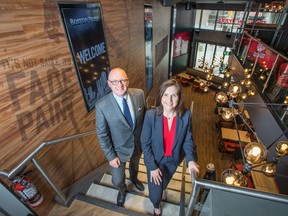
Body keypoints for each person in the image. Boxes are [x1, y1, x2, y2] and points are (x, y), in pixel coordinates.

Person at [141, 79, 199, 216]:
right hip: (156, 162)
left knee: (164, 182)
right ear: (161, 96)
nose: (169, 100)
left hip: (174, 160)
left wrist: (191, 160)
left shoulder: (186, 116)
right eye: (165, 95)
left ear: (179, 98)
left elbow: (188, 139)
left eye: (174, 95)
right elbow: (145, 143)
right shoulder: (151, 116)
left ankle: (163, 189)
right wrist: (152, 167)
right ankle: (156, 207)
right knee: (155, 195)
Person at [95, 68, 145, 207]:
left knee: (135, 166)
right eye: (115, 81)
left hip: (138, 144)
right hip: (118, 151)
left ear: (127, 81)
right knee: (117, 180)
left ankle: (134, 179)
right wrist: (111, 157)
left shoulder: (139, 94)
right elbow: (102, 134)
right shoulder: (102, 106)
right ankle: (122, 191)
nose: (120, 84)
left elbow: (144, 119)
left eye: (123, 80)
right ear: (109, 84)